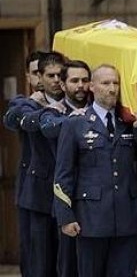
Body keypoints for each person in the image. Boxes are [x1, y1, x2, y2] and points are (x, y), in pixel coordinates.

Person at [53, 64, 137, 277]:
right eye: (105, 83)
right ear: (92, 86)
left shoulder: (128, 121)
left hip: (127, 217)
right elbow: (64, 173)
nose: (112, 88)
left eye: (116, 83)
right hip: (91, 218)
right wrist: (65, 216)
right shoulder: (76, 124)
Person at [36, 59, 91, 277]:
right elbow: (47, 128)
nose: (80, 86)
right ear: (63, 84)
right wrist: (70, 120)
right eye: (74, 80)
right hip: (67, 201)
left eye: (85, 80)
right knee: (68, 265)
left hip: (98, 204)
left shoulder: (102, 110)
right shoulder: (54, 112)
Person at [18, 51, 66, 277]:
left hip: (69, 195)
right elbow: (14, 118)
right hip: (38, 194)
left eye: (59, 74)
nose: (53, 79)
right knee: (38, 261)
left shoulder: (76, 104)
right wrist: (41, 107)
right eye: (43, 74)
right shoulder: (27, 104)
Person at [3, 50, 44, 277]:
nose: (40, 79)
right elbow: (11, 119)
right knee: (32, 256)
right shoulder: (22, 102)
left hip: (60, 192)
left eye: (43, 73)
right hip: (30, 191)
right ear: (28, 76)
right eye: (35, 73)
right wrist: (31, 102)